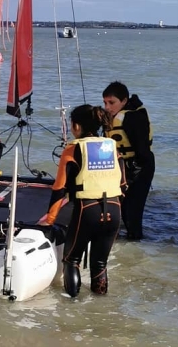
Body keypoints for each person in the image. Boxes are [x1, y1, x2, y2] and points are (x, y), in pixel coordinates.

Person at [41, 104, 123, 297]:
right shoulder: (112, 147)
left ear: (76, 126)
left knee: (71, 259)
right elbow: (124, 183)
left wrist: (50, 220)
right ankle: (100, 305)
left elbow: (59, 188)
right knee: (100, 263)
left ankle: (72, 308)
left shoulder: (72, 150)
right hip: (114, 209)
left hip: (87, 210)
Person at [102, 81, 154, 240]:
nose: (107, 107)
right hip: (122, 167)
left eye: (112, 103)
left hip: (140, 167)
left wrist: (132, 175)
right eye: (105, 102)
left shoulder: (133, 118)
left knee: (132, 213)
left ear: (124, 101)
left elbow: (142, 151)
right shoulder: (113, 116)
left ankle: (136, 243)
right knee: (118, 209)